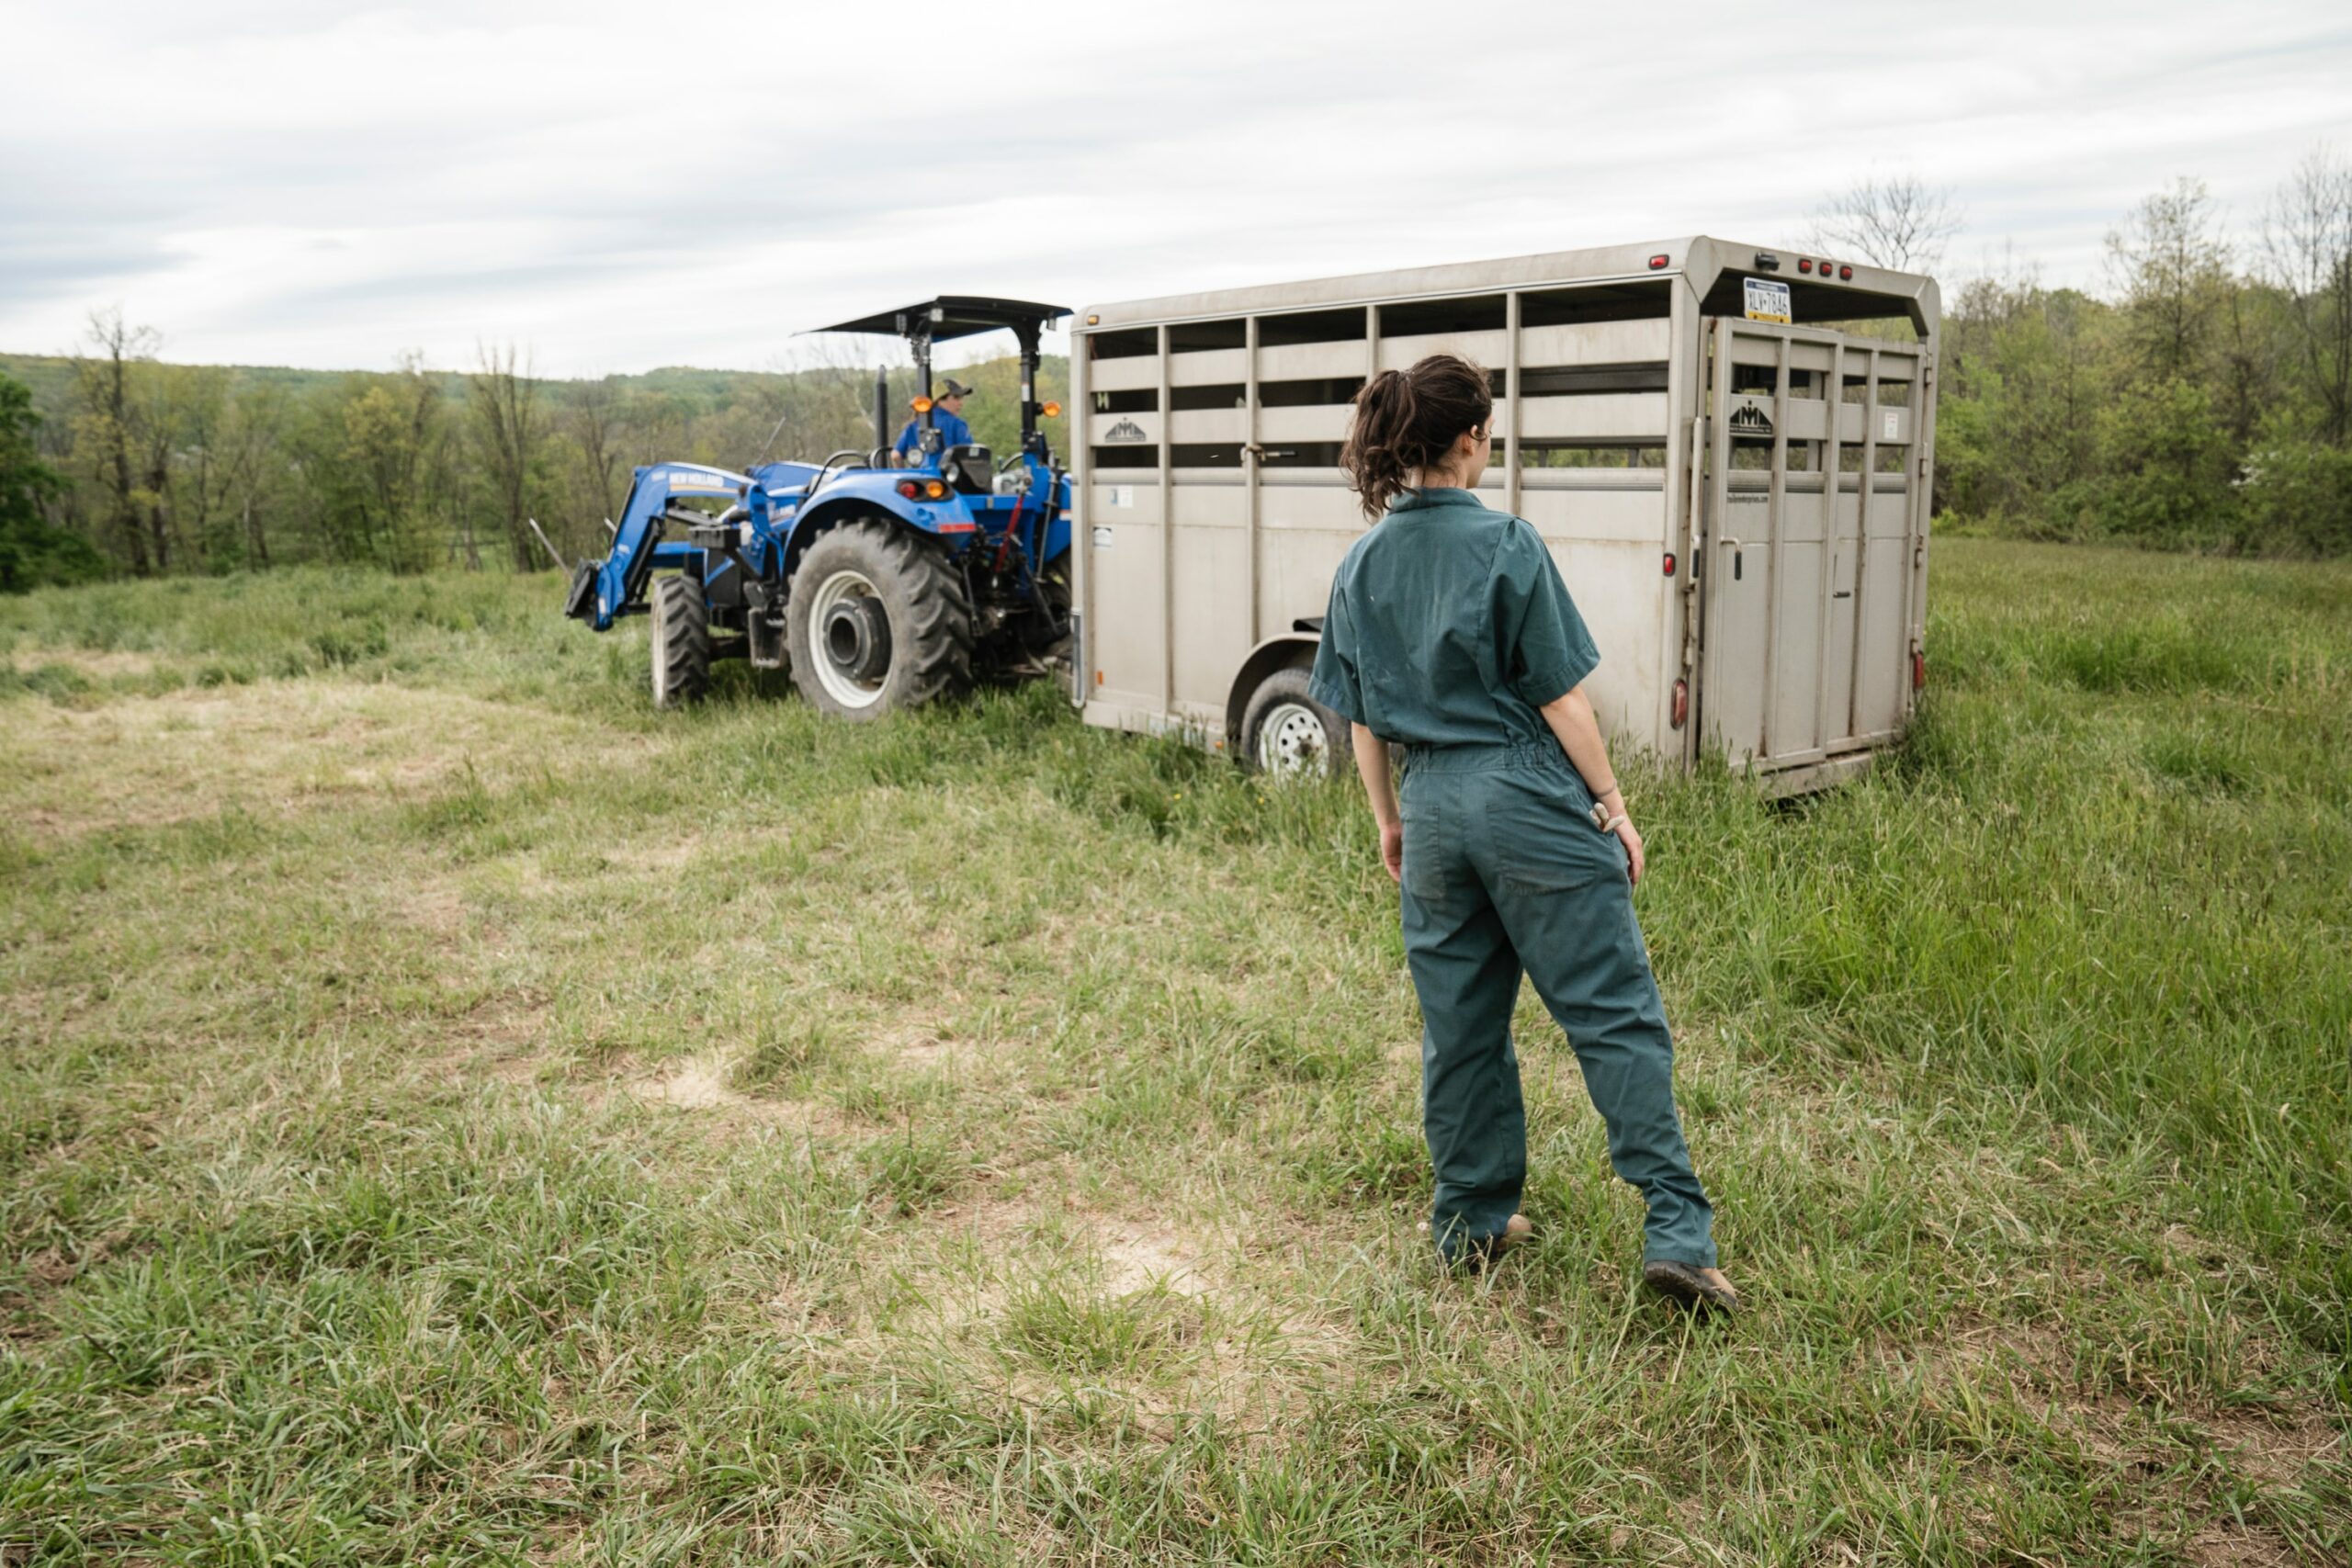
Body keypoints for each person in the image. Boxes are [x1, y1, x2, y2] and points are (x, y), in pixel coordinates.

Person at [1306, 353, 1738, 1314]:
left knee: (1459, 1026)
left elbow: (1363, 717)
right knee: (1609, 1010)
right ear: (1470, 439)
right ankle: (1675, 1230)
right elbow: (1561, 699)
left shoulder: (1361, 562)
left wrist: (1390, 820)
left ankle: (1470, 1219)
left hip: (1429, 810)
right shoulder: (1507, 542)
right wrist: (1614, 806)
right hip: (1524, 794)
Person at [894, 377, 976, 462]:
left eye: (961, 398)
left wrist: (906, 474)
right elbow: (969, 457)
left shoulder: (913, 425)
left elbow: (895, 456)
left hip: (918, 475)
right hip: (945, 475)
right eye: (956, 398)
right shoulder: (957, 424)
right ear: (940, 400)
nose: (960, 403)